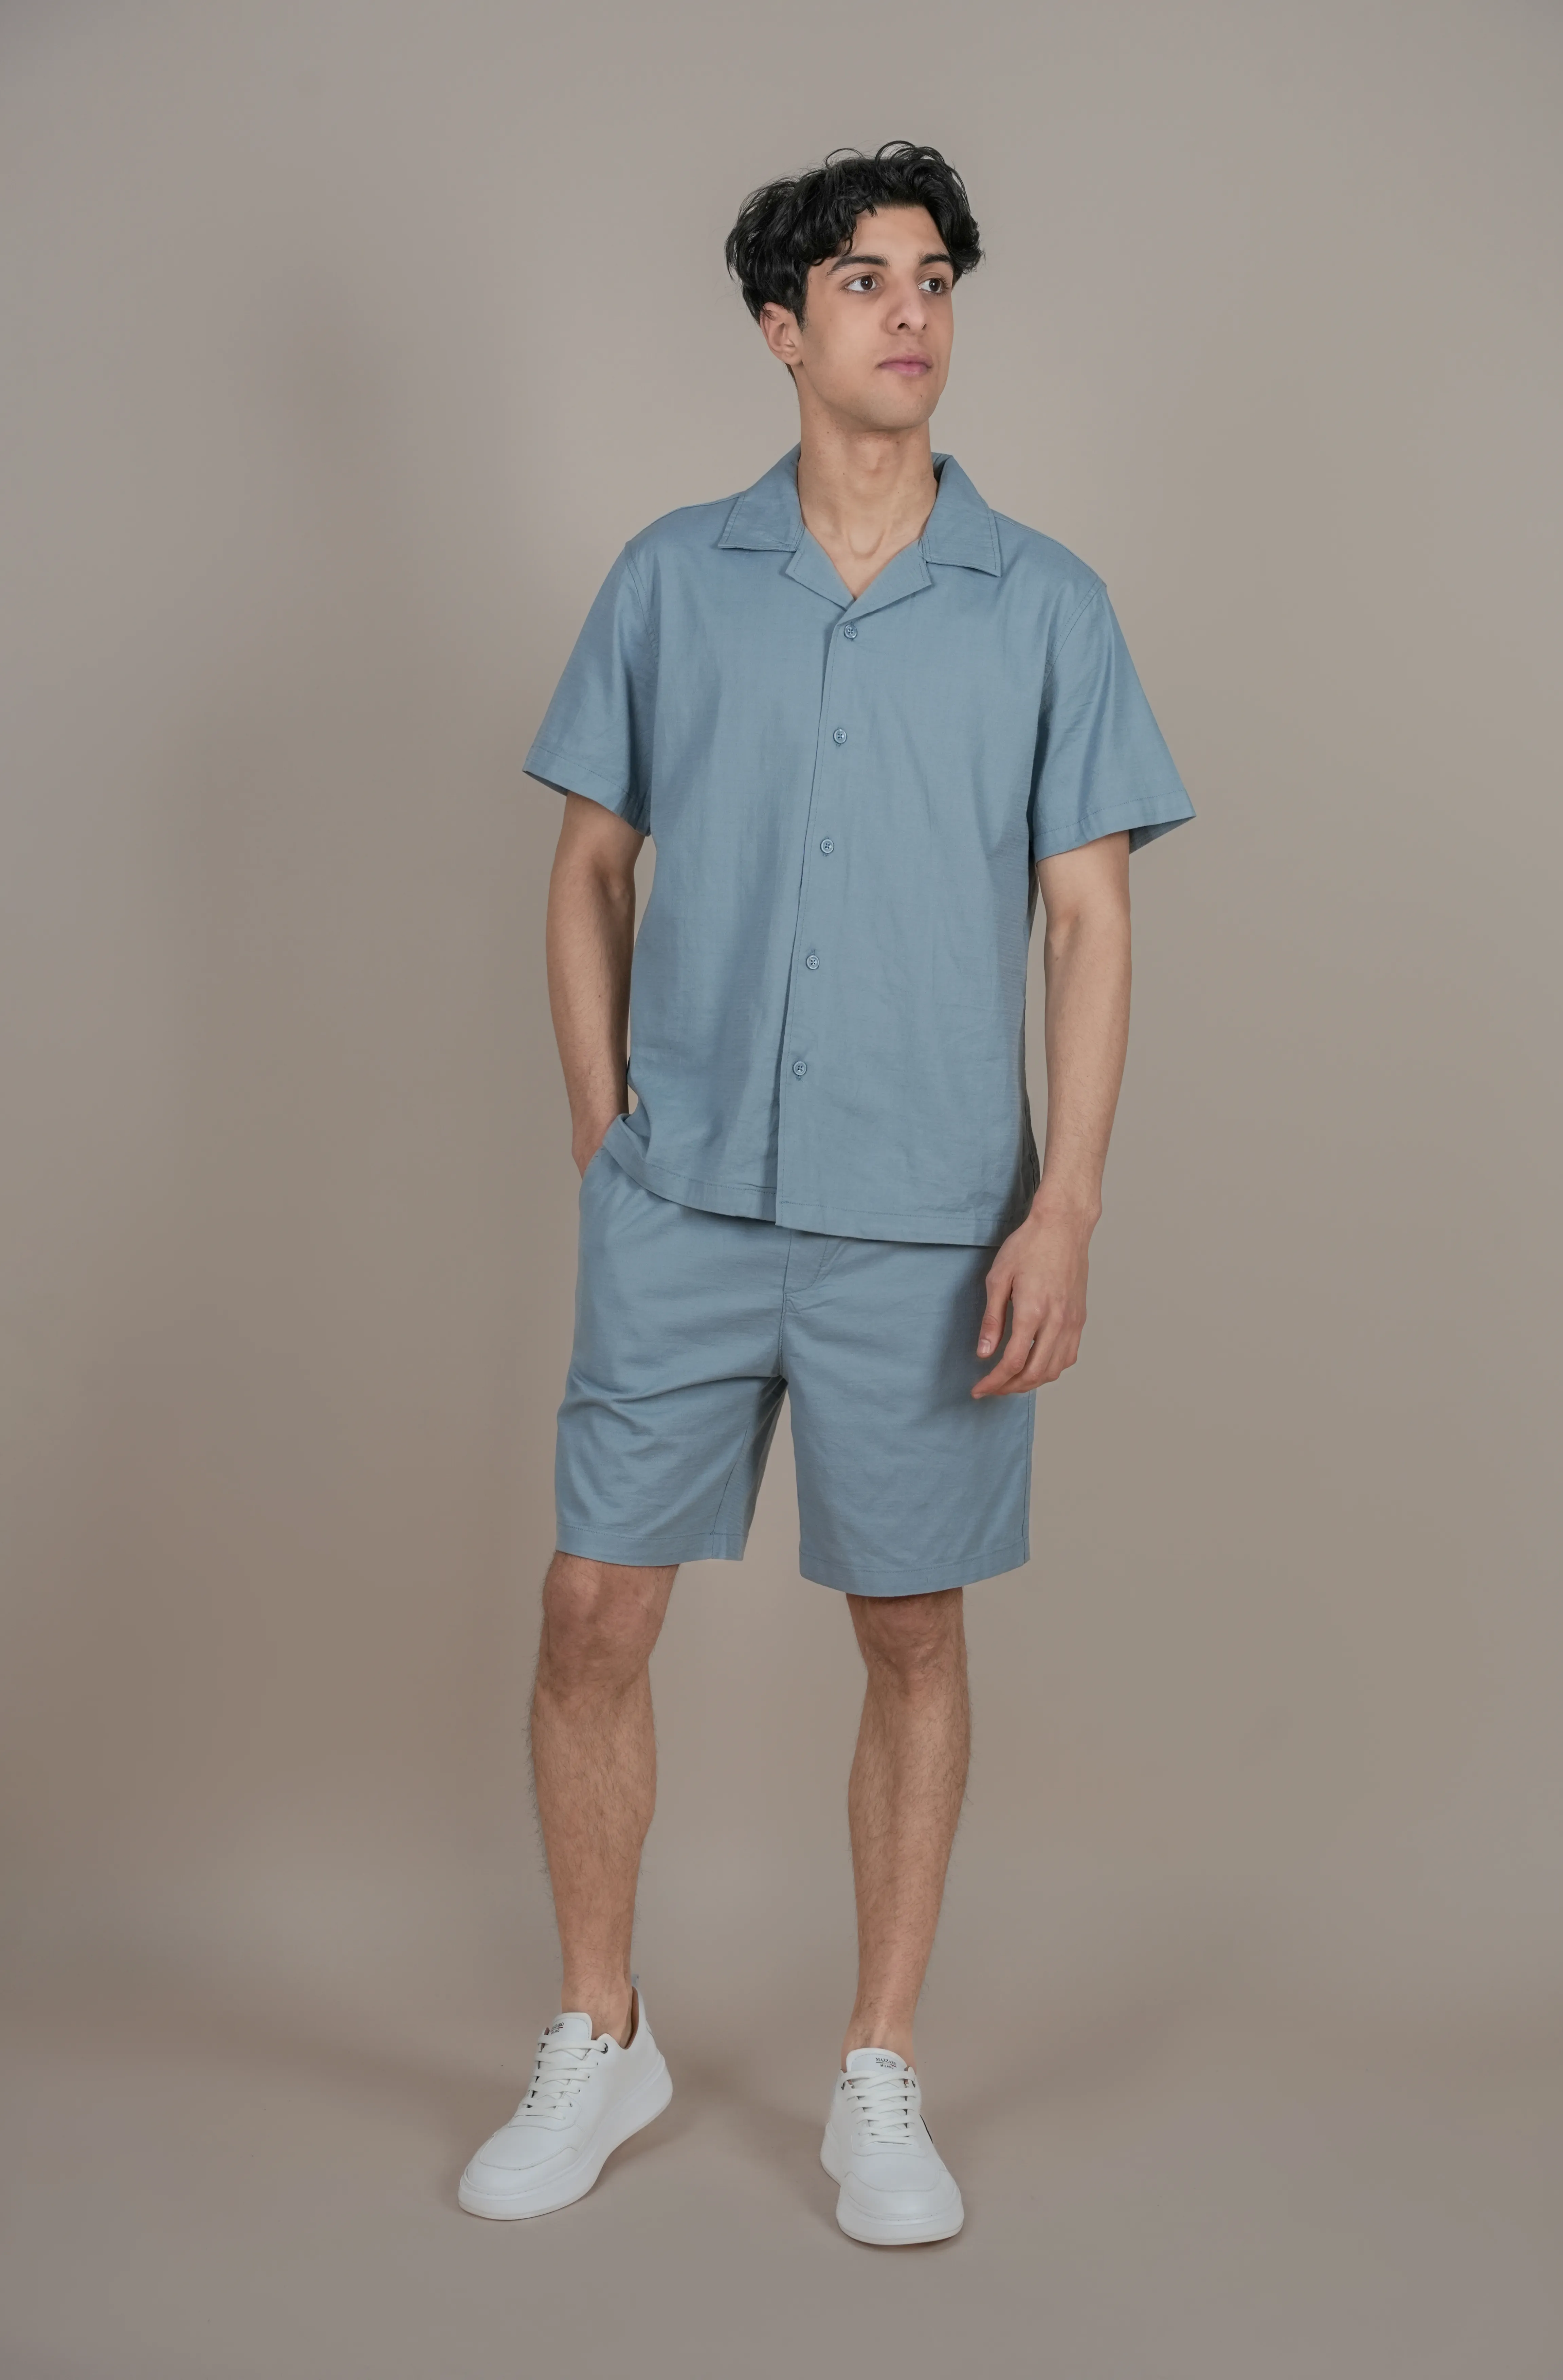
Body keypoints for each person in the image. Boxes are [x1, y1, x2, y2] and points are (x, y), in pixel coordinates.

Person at [458, 141, 1194, 2245]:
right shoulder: (669, 581)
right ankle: (600, 2032)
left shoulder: (1046, 605)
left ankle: (880, 2068)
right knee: (593, 1610)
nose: (911, 310)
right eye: (865, 279)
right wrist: (603, 1125)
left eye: (935, 276)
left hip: (936, 1219)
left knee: (911, 1628)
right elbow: (589, 869)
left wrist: (1066, 1208)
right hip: (684, 1201)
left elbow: (1091, 922)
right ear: (781, 329)